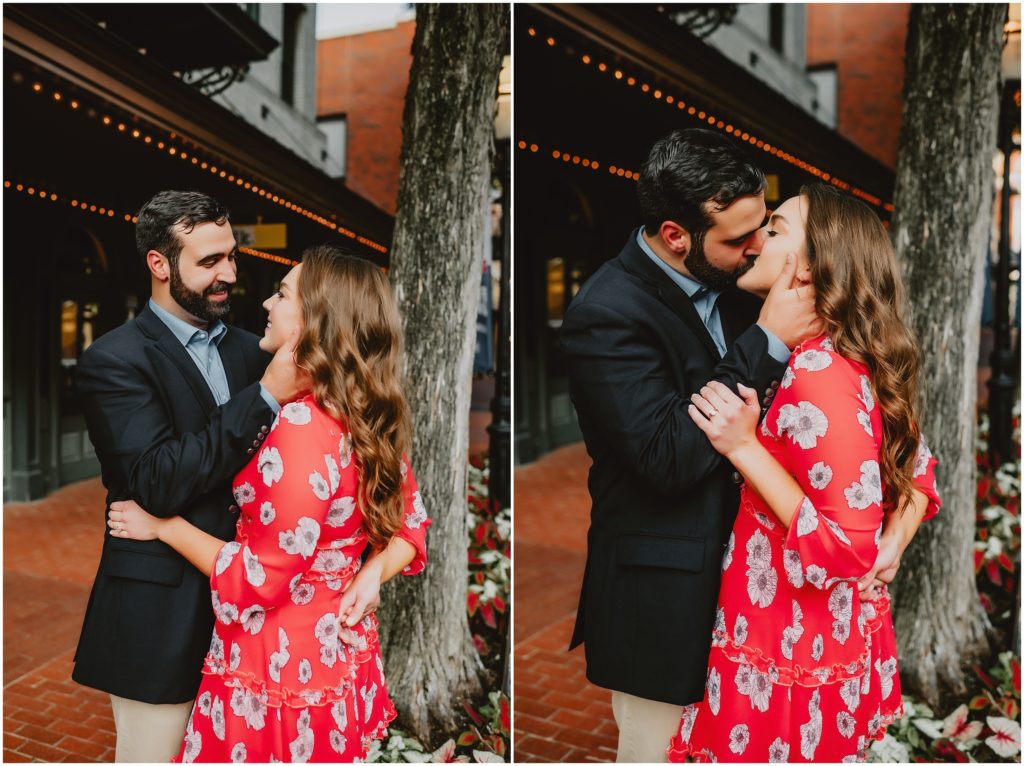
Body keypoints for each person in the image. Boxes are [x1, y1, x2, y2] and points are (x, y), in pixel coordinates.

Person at [107, 245, 431, 762]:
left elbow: (258, 579)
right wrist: (373, 571)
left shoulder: (301, 426)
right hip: (335, 654)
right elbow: (410, 526)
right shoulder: (364, 408)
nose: (264, 302)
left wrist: (165, 527)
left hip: (276, 667)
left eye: (282, 294)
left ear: (314, 320)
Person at [560, 128, 822, 762]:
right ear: (675, 235)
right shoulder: (605, 313)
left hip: (744, 588)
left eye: (763, 225)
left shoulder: (737, 286)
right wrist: (766, 343)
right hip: (665, 597)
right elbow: (667, 455)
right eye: (738, 238)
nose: (758, 246)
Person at [667, 184, 940, 762]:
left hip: (789, 641)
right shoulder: (847, 354)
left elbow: (845, 547)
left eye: (777, 227)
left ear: (813, 265)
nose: (756, 240)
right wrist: (894, 539)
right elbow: (920, 469)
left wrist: (744, 448)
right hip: (809, 633)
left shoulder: (818, 369)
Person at [72, 190, 302, 762]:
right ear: (158, 263)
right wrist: (267, 397)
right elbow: (156, 483)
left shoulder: (257, 351)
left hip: (254, 612)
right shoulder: (114, 360)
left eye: (230, 256)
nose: (227, 274)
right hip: (160, 610)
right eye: (208, 262)